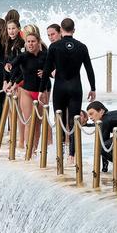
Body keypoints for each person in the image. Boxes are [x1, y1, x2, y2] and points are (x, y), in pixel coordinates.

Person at [43, 17, 97, 166]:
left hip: (60, 87)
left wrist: (42, 89)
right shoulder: (82, 47)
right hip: (75, 87)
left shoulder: (54, 47)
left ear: (60, 30)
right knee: (73, 122)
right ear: (74, 30)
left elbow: (47, 69)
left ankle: (60, 153)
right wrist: (93, 88)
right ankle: (72, 156)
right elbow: (89, 69)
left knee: (59, 120)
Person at [6, 32, 50, 155]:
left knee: (38, 124)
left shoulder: (45, 55)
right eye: (28, 41)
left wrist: (46, 73)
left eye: (33, 41)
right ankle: (28, 151)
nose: (30, 44)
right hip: (27, 92)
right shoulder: (23, 56)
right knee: (29, 122)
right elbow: (12, 65)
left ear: (38, 42)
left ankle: (35, 150)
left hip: (42, 91)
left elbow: (54, 69)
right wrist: (8, 67)